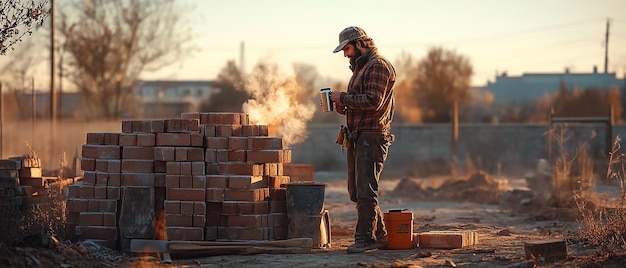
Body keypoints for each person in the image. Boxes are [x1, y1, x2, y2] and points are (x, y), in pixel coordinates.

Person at [329, 26, 396, 254]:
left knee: (366, 191)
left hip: (372, 137)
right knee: (358, 192)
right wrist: (343, 105)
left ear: (360, 43)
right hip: (358, 136)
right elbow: (361, 102)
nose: (346, 54)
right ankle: (381, 236)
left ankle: (364, 239)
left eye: (347, 49)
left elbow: (373, 101)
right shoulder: (361, 68)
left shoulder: (378, 65)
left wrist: (343, 97)